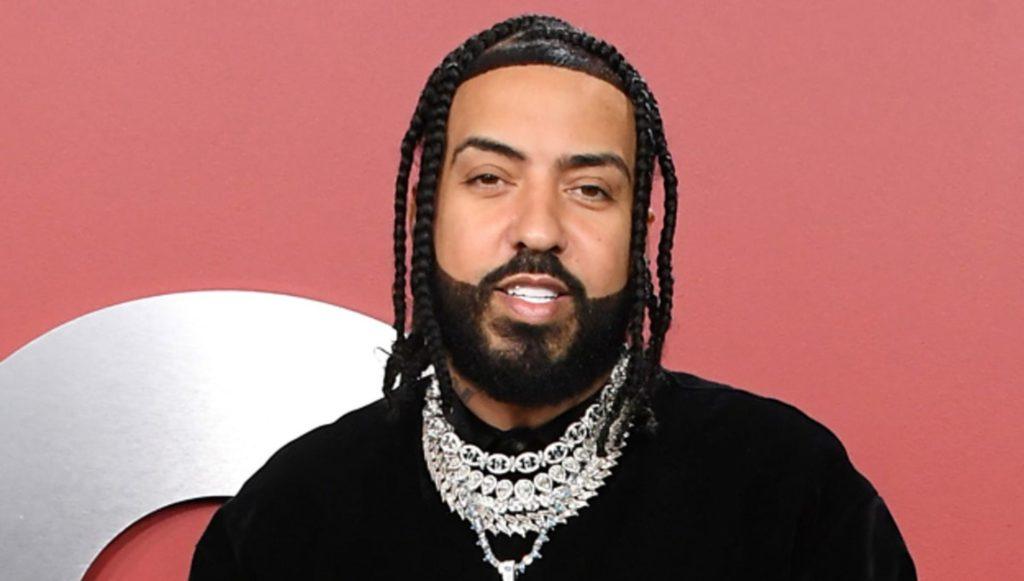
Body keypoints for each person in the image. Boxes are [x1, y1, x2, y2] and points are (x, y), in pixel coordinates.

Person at [189, 14, 916, 580]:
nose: (539, 228)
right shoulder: (289, 518)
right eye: (490, 179)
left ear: (639, 232)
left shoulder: (789, 493)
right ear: (424, 214)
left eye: (590, 189)